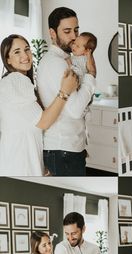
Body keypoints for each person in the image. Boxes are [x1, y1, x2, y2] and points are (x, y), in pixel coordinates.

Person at [0, 34, 78, 176]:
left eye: (27, 49)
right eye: (17, 52)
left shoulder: (13, 82)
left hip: (15, 161)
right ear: (7, 60)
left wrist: (41, 167)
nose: (25, 55)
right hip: (20, 164)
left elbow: (27, 127)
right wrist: (65, 90)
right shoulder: (16, 81)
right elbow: (43, 122)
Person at [37, 7, 96, 176]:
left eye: (76, 30)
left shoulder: (66, 60)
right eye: (67, 31)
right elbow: (76, 110)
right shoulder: (56, 63)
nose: (74, 37)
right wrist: (91, 75)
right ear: (52, 33)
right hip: (62, 149)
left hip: (67, 148)